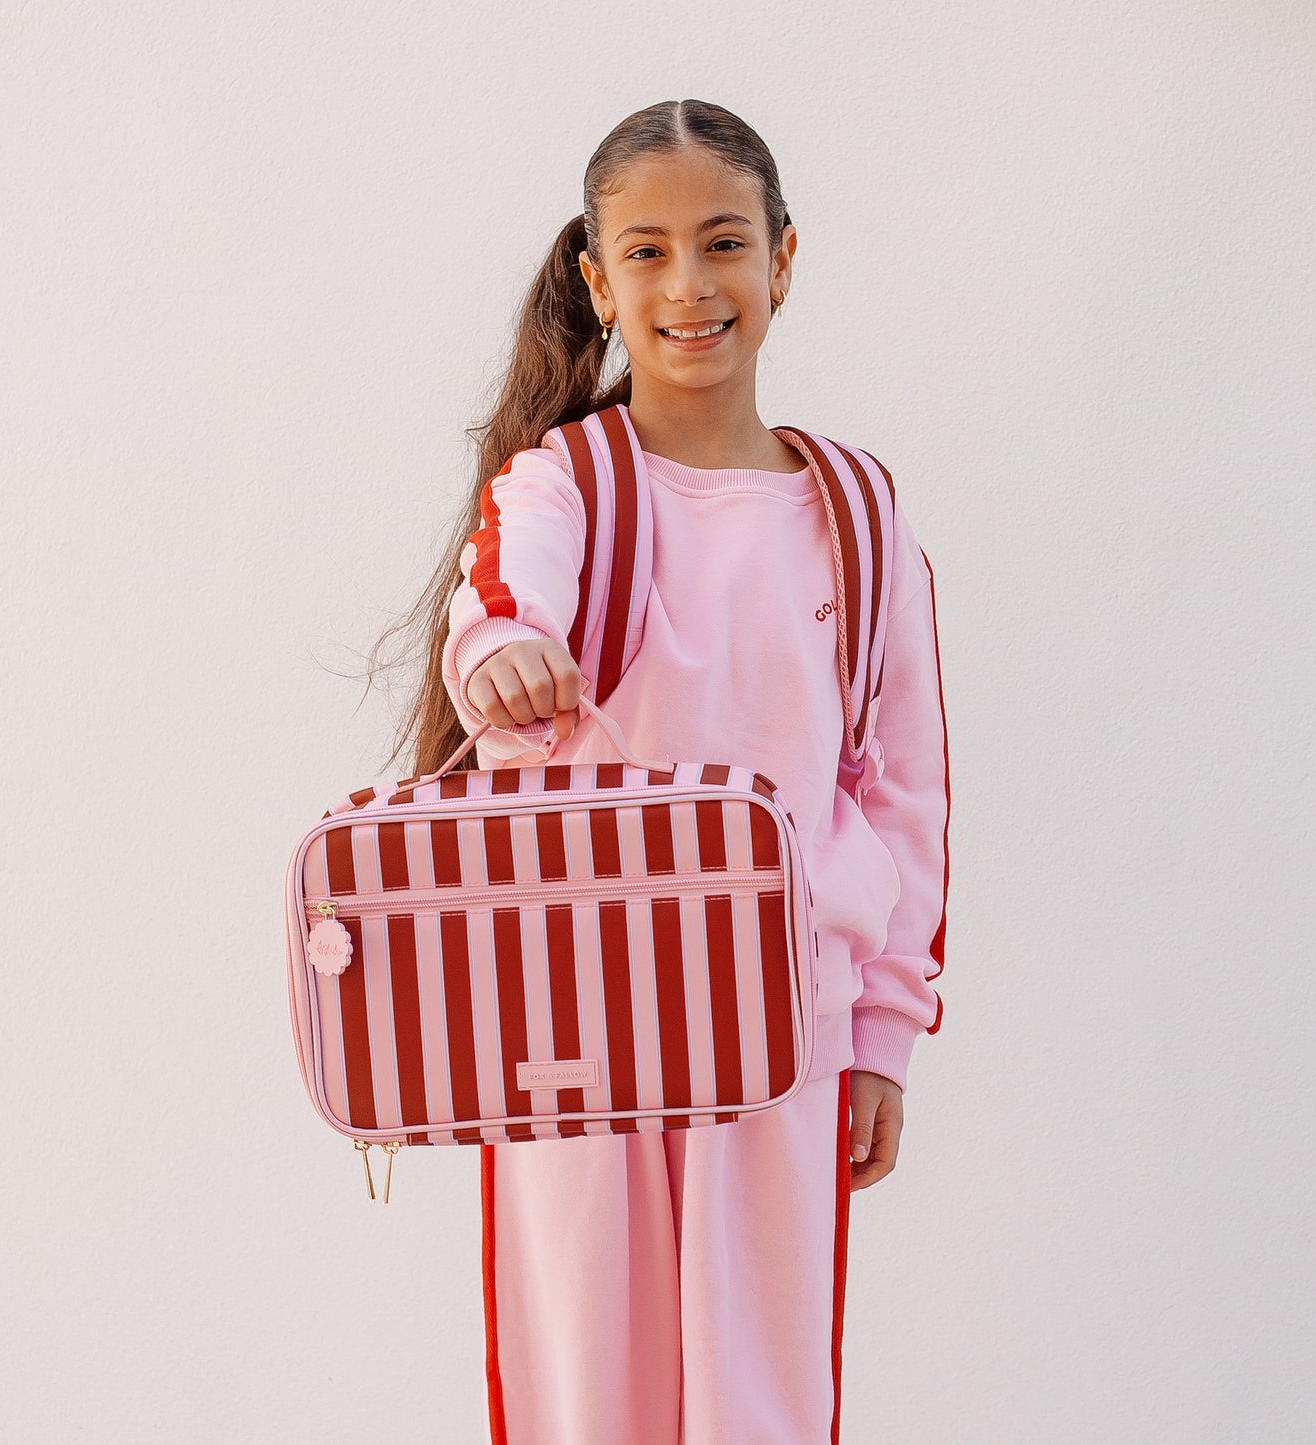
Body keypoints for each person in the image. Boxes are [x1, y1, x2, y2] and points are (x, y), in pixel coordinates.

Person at [378, 98, 950, 1445]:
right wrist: (506, 657)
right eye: (643, 252)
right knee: (591, 1385)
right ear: (595, 277)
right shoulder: (564, 482)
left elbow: (898, 789)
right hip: (579, 1019)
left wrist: (880, 1036)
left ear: (783, 261)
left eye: (723, 243)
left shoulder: (857, 511)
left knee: (761, 1391)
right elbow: (501, 612)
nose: (688, 286)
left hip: (780, 1021)